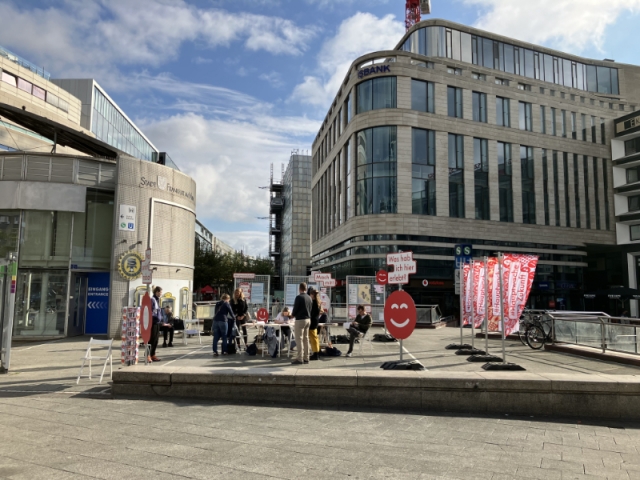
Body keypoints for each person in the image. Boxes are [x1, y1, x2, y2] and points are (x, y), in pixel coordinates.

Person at [291, 282, 312, 365]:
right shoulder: (309, 298)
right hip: (308, 319)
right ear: (306, 288)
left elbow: (295, 309)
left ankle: (300, 358)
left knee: (299, 339)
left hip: (300, 320)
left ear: (299, 288)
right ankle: (307, 358)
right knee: (306, 339)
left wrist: (291, 315)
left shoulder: (298, 297)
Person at [149, 286, 163, 362]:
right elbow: (151, 311)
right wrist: (156, 317)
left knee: (156, 340)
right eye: (160, 292)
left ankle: (153, 354)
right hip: (153, 322)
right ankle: (148, 354)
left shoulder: (157, 300)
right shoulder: (152, 299)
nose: (161, 293)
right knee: (152, 339)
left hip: (157, 322)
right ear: (156, 292)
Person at [308, 288, 322, 361]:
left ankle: (315, 353)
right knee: (315, 338)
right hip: (316, 321)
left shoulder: (313, 303)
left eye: (310, 294)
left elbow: (311, 313)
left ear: (313, 295)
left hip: (312, 321)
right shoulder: (318, 302)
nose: (309, 295)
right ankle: (317, 352)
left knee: (313, 338)